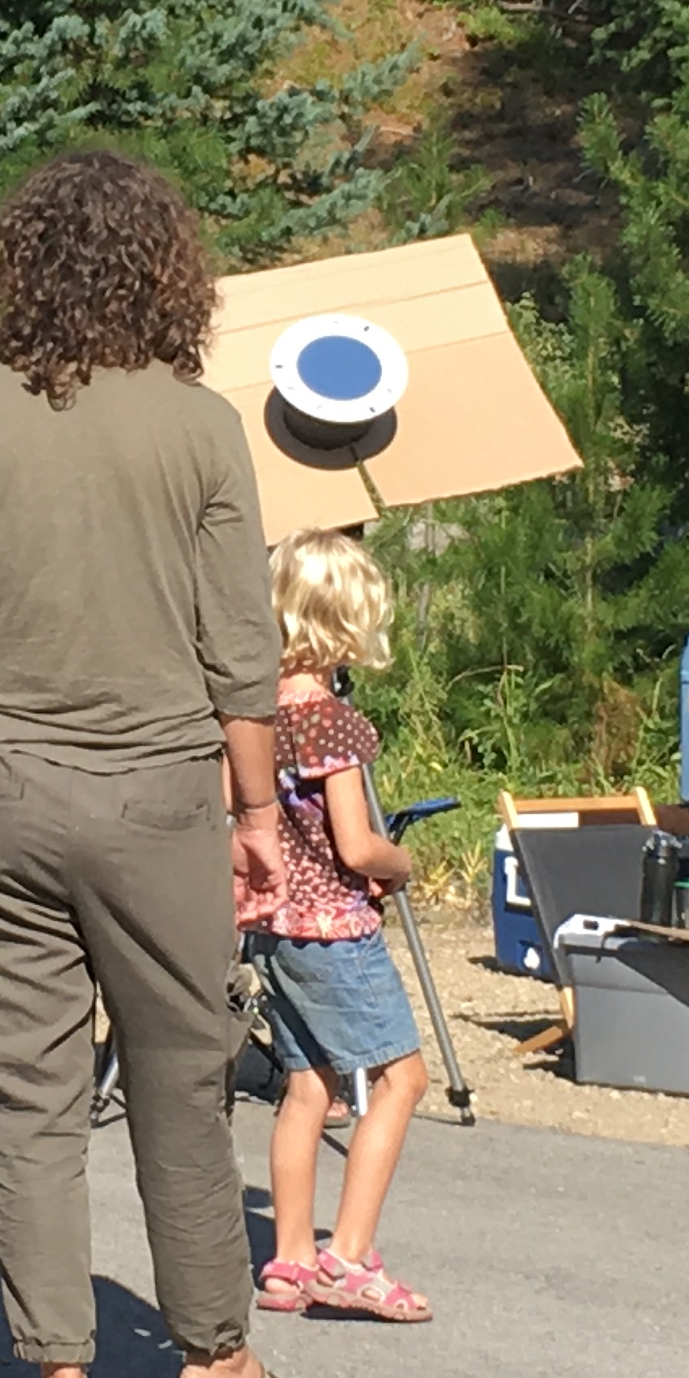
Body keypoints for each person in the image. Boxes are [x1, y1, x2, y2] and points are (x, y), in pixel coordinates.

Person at [0, 148, 311, 1378]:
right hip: (160, 797)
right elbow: (245, 650)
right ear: (165, 273)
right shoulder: (199, 428)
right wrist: (259, 816)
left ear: (25, 274)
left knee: (26, 1092)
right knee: (185, 1081)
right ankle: (218, 1363)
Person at [245, 530, 433, 1325]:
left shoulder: (254, 719)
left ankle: (288, 1260)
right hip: (335, 930)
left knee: (306, 1086)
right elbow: (356, 843)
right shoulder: (335, 725)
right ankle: (348, 1257)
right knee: (401, 1079)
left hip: (274, 926)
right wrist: (402, 864)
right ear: (345, 623)